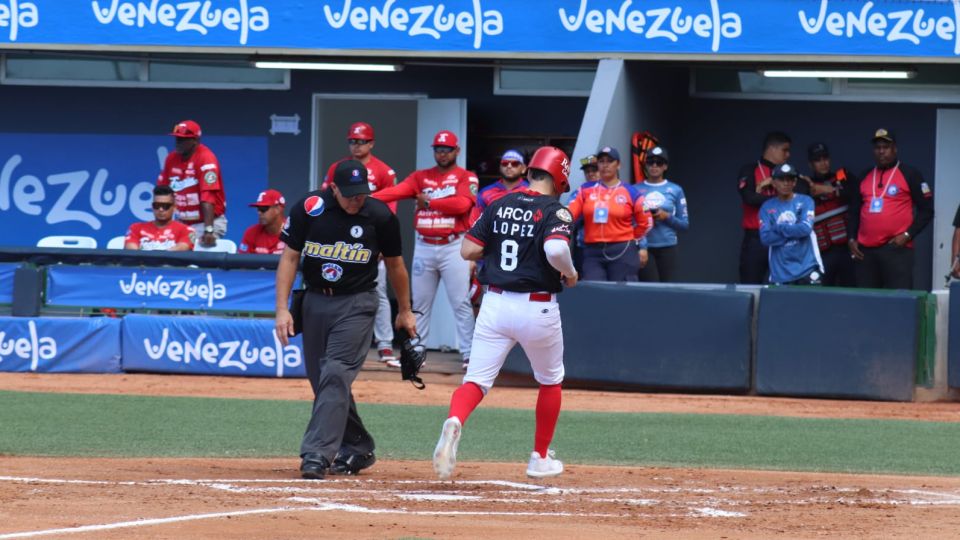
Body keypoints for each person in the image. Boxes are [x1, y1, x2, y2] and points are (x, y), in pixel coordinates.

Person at [432, 146, 577, 480]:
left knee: (476, 381)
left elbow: (467, 249)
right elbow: (556, 248)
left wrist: (498, 245)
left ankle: (455, 420)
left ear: (529, 172)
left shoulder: (498, 203)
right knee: (550, 379)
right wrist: (569, 273)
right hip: (537, 306)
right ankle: (539, 458)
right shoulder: (557, 211)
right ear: (557, 178)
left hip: (494, 303)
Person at [275, 159, 416, 480]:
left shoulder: (379, 215)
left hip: (358, 303)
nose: (357, 199)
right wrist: (282, 308)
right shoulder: (310, 208)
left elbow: (396, 266)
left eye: (361, 193)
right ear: (333, 188)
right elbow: (290, 257)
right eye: (350, 194)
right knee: (322, 381)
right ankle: (358, 446)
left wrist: (405, 310)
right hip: (314, 301)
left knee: (336, 373)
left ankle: (316, 453)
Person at [372, 130, 478, 369]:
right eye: (438, 149)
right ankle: (416, 354)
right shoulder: (421, 177)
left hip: (453, 245)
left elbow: (462, 204)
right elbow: (397, 191)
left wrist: (429, 202)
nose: (441, 154)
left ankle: (470, 355)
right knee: (419, 304)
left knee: (460, 302)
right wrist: (368, 197)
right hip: (425, 244)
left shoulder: (466, 177)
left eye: (446, 149)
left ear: (456, 151)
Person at [323, 122, 400, 365]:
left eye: (361, 141)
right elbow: (327, 200)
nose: (356, 146)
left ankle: (385, 344)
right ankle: (336, 341)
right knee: (335, 287)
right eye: (352, 141)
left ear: (371, 143)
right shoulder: (337, 168)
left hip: (370, 239)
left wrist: (381, 244)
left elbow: (389, 211)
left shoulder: (385, 172)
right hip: (341, 240)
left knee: (378, 291)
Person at [847, 129, 934, 290]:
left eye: (885, 147)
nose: (881, 151)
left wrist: (908, 234)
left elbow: (927, 210)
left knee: (899, 300)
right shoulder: (865, 175)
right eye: (877, 147)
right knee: (867, 300)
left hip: (896, 248)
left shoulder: (910, 174)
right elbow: (854, 211)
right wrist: (851, 238)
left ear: (895, 149)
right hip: (865, 252)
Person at [566, 146, 651, 282]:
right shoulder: (585, 190)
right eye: (601, 161)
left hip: (623, 251)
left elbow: (646, 222)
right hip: (592, 252)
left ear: (618, 165)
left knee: (622, 297)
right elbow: (570, 215)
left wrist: (631, 238)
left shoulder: (631, 191)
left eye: (609, 161)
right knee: (594, 293)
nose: (605, 165)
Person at [156, 120, 227, 248]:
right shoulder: (171, 158)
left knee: (185, 251)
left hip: (206, 223)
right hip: (182, 222)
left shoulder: (206, 158)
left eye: (183, 139)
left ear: (195, 140)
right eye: (177, 138)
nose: (178, 142)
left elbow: (208, 197)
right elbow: (162, 192)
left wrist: (209, 229)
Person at [737, 132, 792, 284]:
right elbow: (749, 198)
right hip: (757, 238)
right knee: (750, 285)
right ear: (772, 149)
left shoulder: (789, 173)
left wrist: (774, 183)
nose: (788, 154)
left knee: (785, 286)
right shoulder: (749, 169)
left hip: (783, 238)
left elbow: (800, 196)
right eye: (784, 150)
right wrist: (781, 199)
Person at [758, 164, 824, 285]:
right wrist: (794, 230)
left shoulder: (806, 201)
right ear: (773, 183)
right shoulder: (766, 207)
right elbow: (766, 238)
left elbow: (805, 229)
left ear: (794, 182)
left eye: (789, 179)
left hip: (807, 268)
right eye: (781, 179)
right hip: (780, 272)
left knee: (812, 304)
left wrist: (778, 227)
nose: (786, 183)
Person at [803, 143, 854, 287]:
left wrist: (828, 190)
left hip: (846, 249)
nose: (823, 163)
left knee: (851, 292)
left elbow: (857, 194)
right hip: (821, 253)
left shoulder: (842, 176)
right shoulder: (804, 184)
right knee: (822, 293)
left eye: (825, 158)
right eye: (818, 160)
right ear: (811, 164)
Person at [635, 146, 689, 282]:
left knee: (668, 290)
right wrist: (641, 245)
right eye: (650, 162)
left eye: (659, 162)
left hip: (668, 247)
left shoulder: (676, 190)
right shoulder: (635, 189)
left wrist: (666, 217)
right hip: (644, 247)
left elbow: (684, 225)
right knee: (648, 290)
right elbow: (631, 221)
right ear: (645, 165)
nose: (654, 166)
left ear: (665, 166)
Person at [124, 185, 195, 251]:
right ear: (152, 206)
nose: (160, 209)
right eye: (157, 205)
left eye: (165, 206)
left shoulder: (186, 230)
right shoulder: (136, 228)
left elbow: (181, 249)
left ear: (174, 207)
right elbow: (131, 251)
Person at [469, 149, 529, 224]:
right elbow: (474, 221)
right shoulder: (485, 192)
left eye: (515, 164)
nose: (509, 166)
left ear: (523, 169)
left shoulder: (532, 191)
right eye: (505, 163)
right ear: (500, 167)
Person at [571, 155, 599, 274]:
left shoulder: (614, 189)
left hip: (611, 245)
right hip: (584, 245)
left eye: (594, 170)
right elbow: (570, 217)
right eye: (587, 171)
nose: (590, 173)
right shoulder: (580, 191)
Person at [238, 189, 287, 255]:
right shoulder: (251, 233)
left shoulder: (293, 232)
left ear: (278, 209)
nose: (259, 213)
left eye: (263, 209)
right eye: (258, 209)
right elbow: (242, 262)